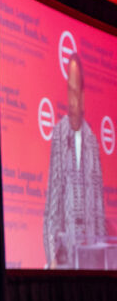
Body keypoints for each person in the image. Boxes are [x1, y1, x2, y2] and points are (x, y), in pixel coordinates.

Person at [43, 53, 106, 268]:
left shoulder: (92, 142)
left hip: (91, 258)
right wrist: (51, 258)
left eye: (75, 92)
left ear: (83, 96)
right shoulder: (59, 136)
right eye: (68, 91)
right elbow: (51, 209)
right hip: (65, 258)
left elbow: (99, 211)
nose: (71, 100)